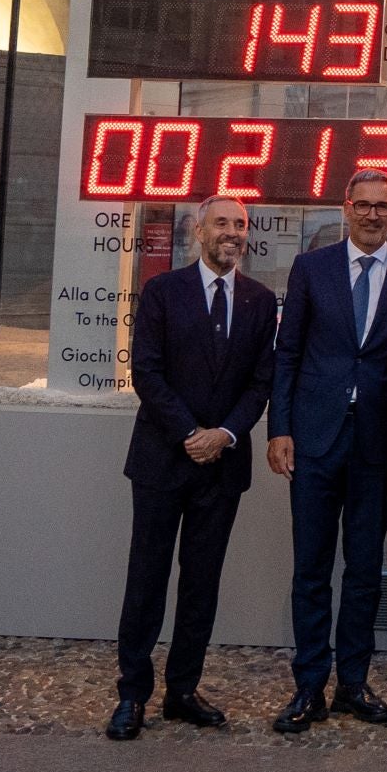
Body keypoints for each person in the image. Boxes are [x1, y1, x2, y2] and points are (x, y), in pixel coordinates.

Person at [266, 170, 387, 733]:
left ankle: (353, 685)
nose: (371, 214)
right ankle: (309, 686)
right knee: (311, 568)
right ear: (346, 207)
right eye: (362, 205)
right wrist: (279, 428)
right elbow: (287, 353)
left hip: (378, 445)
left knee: (364, 570)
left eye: (382, 206)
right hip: (313, 439)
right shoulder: (313, 267)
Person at [108, 193, 276, 742]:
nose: (232, 232)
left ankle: (182, 689)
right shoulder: (162, 291)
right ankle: (133, 693)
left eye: (241, 224)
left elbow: (260, 382)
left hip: (221, 467)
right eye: (222, 223)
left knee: (201, 584)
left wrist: (224, 435)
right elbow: (148, 373)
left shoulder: (259, 299)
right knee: (146, 580)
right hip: (162, 461)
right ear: (198, 231)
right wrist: (190, 434)